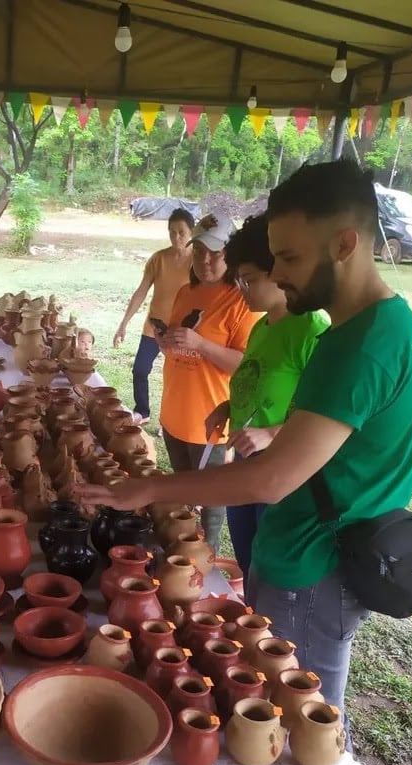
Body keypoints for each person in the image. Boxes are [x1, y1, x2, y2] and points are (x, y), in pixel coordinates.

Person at [78, 160, 412, 765]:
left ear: (346, 243)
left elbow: (271, 480)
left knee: (306, 720)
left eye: (292, 258)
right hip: (327, 556)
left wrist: (154, 485)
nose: (280, 275)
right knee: (304, 704)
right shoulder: (389, 326)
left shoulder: (356, 344)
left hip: (314, 566)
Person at [207, 214, 329, 588]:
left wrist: (272, 433)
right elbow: (256, 379)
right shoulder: (262, 325)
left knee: (269, 561)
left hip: (281, 466)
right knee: (247, 553)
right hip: (246, 456)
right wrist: (228, 408)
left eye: (250, 280)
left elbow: (324, 410)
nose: (242, 289)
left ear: (276, 273)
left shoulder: (310, 328)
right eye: (239, 280)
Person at [158, 213, 260, 553]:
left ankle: (208, 559)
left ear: (230, 253)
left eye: (215, 252)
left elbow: (247, 365)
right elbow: (180, 342)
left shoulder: (241, 301)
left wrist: (201, 344)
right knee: (184, 494)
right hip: (174, 412)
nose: (205, 259)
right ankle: (182, 553)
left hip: (209, 420)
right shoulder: (187, 292)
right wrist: (168, 343)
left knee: (212, 501)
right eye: (199, 249)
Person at [112, 208, 194, 424]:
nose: (176, 237)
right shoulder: (158, 259)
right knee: (140, 369)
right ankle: (143, 412)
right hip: (154, 327)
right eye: (172, 232)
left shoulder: (198, 261)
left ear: (192, 233)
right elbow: (141, 292)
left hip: (181, 330)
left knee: (177, 377)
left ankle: (172, 419)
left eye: (181, 232)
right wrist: (123, 324)